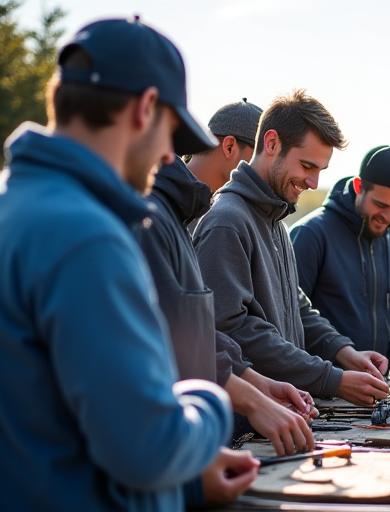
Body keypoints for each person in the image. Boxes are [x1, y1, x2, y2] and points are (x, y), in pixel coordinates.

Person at [0, 17, 257, 510]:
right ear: (144, 109)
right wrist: (210, 402)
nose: (168, 158)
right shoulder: (87, 236)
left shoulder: (19, 207)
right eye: (171, 135)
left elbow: (45, 428)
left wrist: (183, 483)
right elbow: (148, 446)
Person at [195, 90, 390, 407]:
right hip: (246, 423)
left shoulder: (277, 222)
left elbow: (298, 309)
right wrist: (332, 379)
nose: (312, 183)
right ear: (271, 144)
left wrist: (345, 352)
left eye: (319, 171)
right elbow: (232, 330)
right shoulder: (226, 221)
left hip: (288, 412)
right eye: (306, 166)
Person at [137, 152, 316, 456]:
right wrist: (255, 399)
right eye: (308, 164)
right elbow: (177, 338)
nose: (313, 182)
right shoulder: (207, 219)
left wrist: (258, 384)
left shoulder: (175, 216)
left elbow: (197, 333)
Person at [290, 144, 390, 371]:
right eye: (380, 205)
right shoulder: (310, 235)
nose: (388, 216)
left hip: (376, 389)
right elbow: (290, 320)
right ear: (359, 187)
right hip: (322, 390)